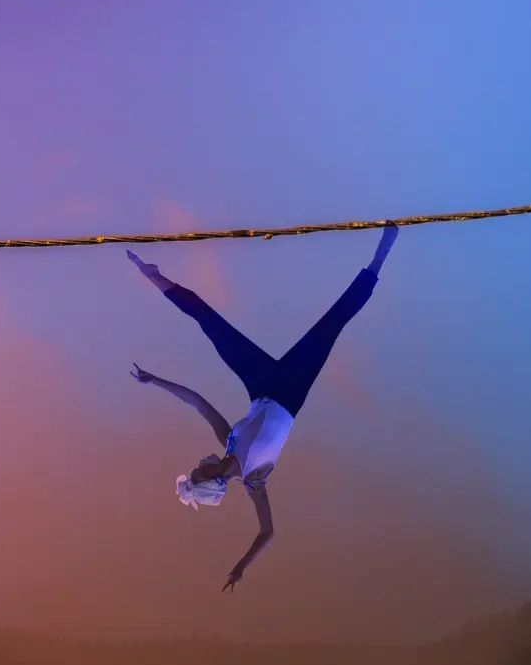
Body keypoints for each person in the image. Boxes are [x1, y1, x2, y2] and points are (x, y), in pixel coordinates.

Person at [127, 225, 399, 592]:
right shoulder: (255, 479)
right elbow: (267, 531)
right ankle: (381, 254)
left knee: (212, 326)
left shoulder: (228, 440)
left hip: (260, 385)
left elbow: (198, 403)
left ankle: (155, 276)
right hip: (291, 389)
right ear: (211, 477)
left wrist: (154, 380)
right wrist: (241, 566)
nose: (199, 461)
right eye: (198, 468)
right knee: (334, 322)